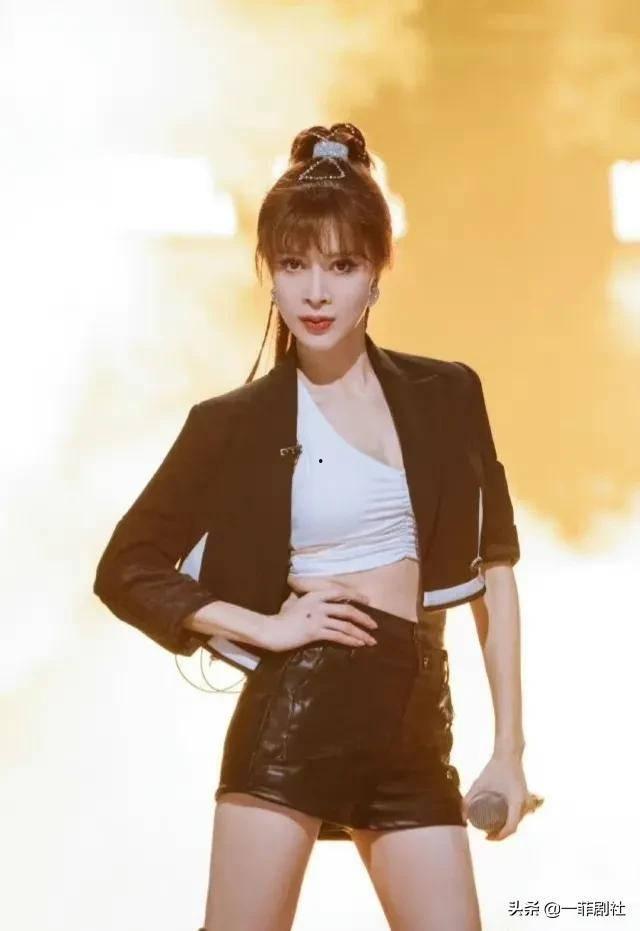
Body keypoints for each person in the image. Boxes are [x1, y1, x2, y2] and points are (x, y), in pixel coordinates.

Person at [93, 122, 531, 931]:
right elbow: (126, 566)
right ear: (269, 273)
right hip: (294, 713)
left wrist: (509, 749)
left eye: (341, 265)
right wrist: (263, 625)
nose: (316, 293)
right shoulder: (233, 422)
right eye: (294, 265)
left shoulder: (447, 395)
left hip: (413, 723)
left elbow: (494, 570)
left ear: (377, 273)